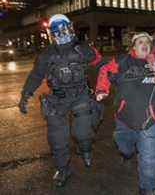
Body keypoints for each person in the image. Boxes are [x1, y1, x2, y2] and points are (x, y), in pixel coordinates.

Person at [18, 14, 102, 187]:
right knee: (57, 138)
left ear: (70, 29)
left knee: (83, 132)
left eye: (63, 30)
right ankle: (63, 169)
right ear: (52, 34)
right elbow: (36, 75)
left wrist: (106, 84)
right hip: (57, 99)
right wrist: (25, 94)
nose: (60, 35)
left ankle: (85, 147)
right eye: (56, 32)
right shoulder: (47, 54)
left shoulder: (82, 48)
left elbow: (101, 64)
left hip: (80, 95)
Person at [95, 32, 155, 195]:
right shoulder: (122, 61)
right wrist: (101, 89)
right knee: (124, 146)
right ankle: (127, 152)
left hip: (151, 120)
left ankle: (146, 188)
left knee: (150, 159)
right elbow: (105, 71)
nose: (144, 44)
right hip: (125, 119)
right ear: (134, 46)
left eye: (147, 42)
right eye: (140, 42)